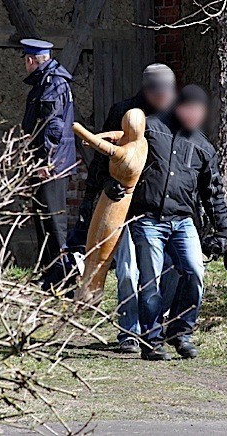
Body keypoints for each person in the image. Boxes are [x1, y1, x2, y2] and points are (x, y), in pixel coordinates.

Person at [106, 85, 227, 360]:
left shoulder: (202, 146)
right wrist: (112, 184)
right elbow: (119, 158)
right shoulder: (148, 130)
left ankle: (180, 333)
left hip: (183, 221)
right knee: (149, 281)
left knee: (194, 273)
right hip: (146, 219)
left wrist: (223, 230)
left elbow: (213, 192)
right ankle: (151, 340)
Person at [73, 64, 177, 353]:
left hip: (161, 207)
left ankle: (156, 325)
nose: (165, 95)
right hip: (127, 206)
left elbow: (185, 161)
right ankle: (128, 332)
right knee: (129, 271)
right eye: (159, 90)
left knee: (169, 270)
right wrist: (106, 183)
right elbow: (101, 157)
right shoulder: (124, 110)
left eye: (169, 90)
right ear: (148, 89)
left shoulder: (177, 116)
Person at [19, 38, 77, 290]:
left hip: (50, 168)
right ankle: (50, 276)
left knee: (54, 224)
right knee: (43, 221)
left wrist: (46, 162)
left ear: (31, 60)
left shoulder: (52, 84)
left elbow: (53, 128)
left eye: (25, 60)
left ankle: (65, 279)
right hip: (44, 165)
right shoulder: (46, 82)